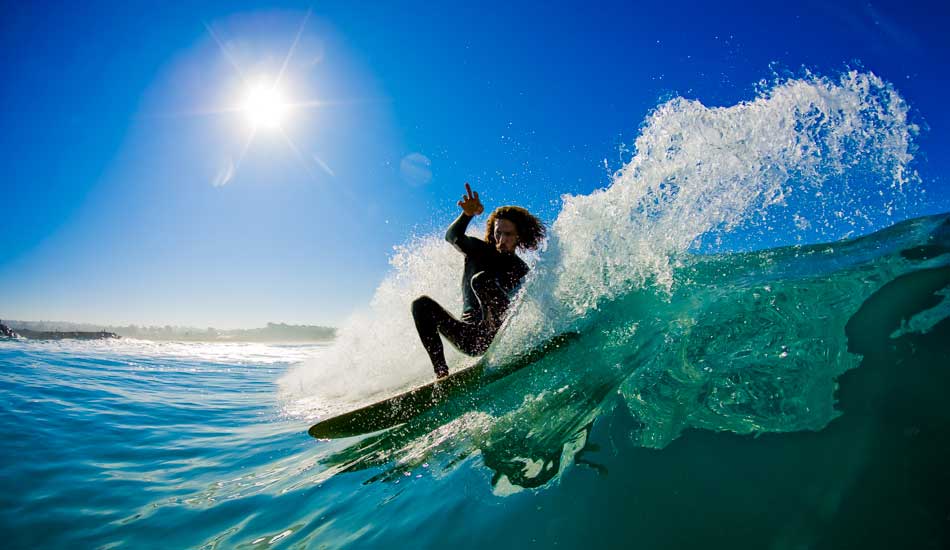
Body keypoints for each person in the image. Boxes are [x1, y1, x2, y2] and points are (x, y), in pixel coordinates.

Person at [412, 183, 546, 378]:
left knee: (481, 280)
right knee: (421, 304)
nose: (501, 240)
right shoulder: (478, 249)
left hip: (494, 330)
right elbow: (452, 236)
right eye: (498, 232)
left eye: (507, 234)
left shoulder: (521, 269)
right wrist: (467, 215)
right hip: (468, 338)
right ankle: (441, 372)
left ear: (520, 236)